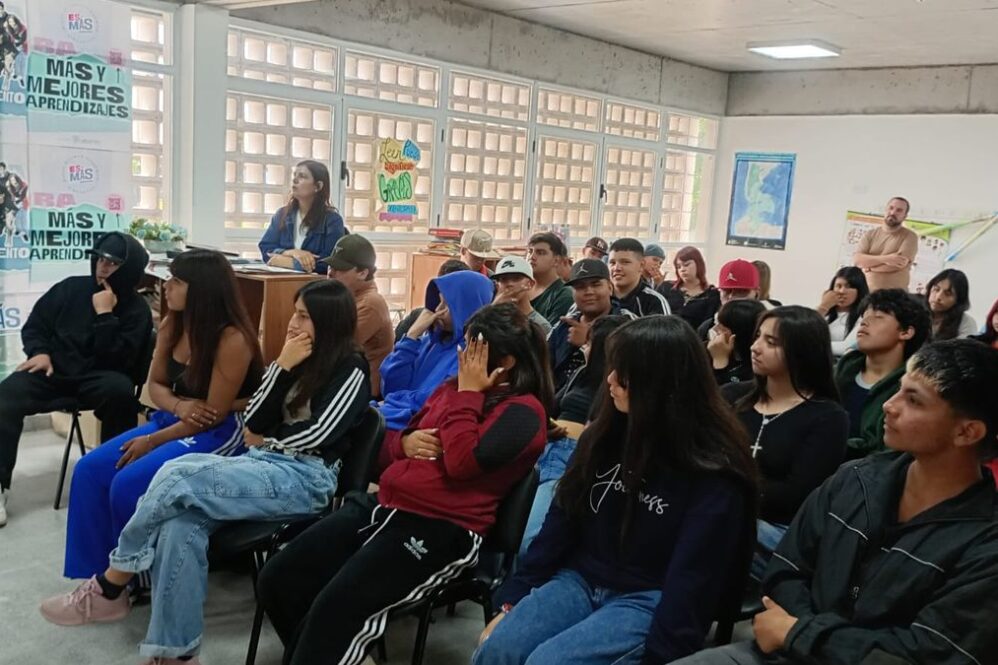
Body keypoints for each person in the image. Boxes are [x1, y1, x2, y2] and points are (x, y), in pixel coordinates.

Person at [39, 281, 370, 665]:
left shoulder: (351, 367)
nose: (294, 324)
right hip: (265, 464)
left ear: (329, 322)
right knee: (179, 524)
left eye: (304, 317)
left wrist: (269, 440)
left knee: (178, 476)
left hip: (306, 479)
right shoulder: (296, 359)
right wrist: (281, 367)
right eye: (295, 313)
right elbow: (255, 417)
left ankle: (112, 583)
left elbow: (319, 433)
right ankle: (176, 654)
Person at [257, 303, 552, 665]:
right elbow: (387, 451)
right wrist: (405, 443)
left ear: (505, 362)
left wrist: (469, 395)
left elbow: (462, 464)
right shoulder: (450, 390)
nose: (462, 356)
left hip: (442, 529)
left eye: (474, 349)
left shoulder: (524, 412)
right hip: (387, 505)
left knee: (338, 609)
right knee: (279, 578)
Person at [672, 339, 998, 665]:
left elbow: (931, 653)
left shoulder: (985, 543)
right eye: (898, 389)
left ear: (967, 432)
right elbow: (786, 570)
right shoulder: (856, 479)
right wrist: (803, 635)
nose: (889, 405)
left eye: (913, 400)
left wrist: (800, 633)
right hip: (789, 651)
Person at [474, 316, 758, 665]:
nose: (609, 379)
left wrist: (662, 655)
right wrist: (512, 601)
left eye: (623, 371)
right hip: (579, 579)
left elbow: (693, 579)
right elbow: (560, 522)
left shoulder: (714, 470)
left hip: (649, 596)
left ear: (660, 381)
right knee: (497, 649)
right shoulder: (604, 436)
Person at [58, 249, 264, 581]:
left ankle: (129, 579)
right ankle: (96, 578)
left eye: (176, 281)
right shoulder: (173, 323)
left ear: (202, 290)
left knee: (128, 484)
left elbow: (211, 415)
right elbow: (155, 386)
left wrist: (152, 440)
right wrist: (179, 406)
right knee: (89, 470)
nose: (166, 287)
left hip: (220, 431)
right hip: (174, 420)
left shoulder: (232, 338)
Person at [0, 232, 151, 527]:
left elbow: (123, 362)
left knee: (120, 392)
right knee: (6, 394)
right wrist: (40, 352)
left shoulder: (137, 310)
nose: (103, 267)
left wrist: (105, 315)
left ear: (130, 269)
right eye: (100, 259)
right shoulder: (70, 288)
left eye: (113, 263)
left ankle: (113, 479)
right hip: (54, 372)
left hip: (101, 378)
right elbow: (36, 326)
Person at [722, 306, 848, 579]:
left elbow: (795, 496)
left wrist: (725, 486)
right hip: (722, 511)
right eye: (757, 336)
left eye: (771, 342)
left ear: (802, 351)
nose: (755, 347)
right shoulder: (732, 396)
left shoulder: (827, 417)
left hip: (777, 531)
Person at [519, 315, 629, 556]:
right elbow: (553, 407)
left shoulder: (617, 389)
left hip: (571, 457)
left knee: (531, 539)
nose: (584, 349)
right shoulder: (581, 373)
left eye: (589, 344)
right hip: (545, 447)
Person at [377, 270, 494, 466]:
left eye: (447, 305)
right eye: (438, 302)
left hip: (414, 430)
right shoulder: (428, 341)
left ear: (466, 307)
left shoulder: (471, 354)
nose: (437, 310)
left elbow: (432, 401)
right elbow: (390, 386)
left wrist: (389, 404)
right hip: (393, 420)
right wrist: (411, 336)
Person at [835, 289, 930, 459]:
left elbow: (888, 453)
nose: (864, 322)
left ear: (906, 332)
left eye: (878, 317)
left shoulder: (911, 388)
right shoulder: (843, 369)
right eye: (863, 317)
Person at [547, 259, 634, 392]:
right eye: (580, 287)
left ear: (610, 288)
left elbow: (629, 373)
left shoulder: (627, 324)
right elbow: (543, 367)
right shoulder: (563, 326)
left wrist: (587, 342)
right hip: (558, 398)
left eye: (596, 284)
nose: (588, 291)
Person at [324, 234, 393, 397]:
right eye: (330, 266)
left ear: (362, 273)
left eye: (339, 268)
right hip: (343, 383)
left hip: (361, 394)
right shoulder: (346, 297)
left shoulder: (370, 304)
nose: (330, 273)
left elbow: (331, 350)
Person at [258, 160, 345, 274]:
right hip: (280, 280)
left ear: (318, 186)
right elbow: (266, 248)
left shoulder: (332, 220)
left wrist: (289, 263)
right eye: (294, 175)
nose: (295, 180)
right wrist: (291, 252)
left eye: (302, 176)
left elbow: (329, 262)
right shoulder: (282, 214)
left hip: (315, 282)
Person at [394, 259, 471, 342]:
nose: (438, 309)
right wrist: (413, 333)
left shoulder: (467, 340)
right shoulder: (418, 317)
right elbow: (393, 347)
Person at [853, 196, 919, 292]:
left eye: (899, 210)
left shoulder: (910, 236)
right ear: (885, 210)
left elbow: (897, 264)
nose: (893, 213)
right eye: (891, 208)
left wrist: (869, 267)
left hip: (895, 296)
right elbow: (857, 260)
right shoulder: (870, 234)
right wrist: (887, 259)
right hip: (867, 294)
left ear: (905, 216)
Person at [656, 245, 721, 330]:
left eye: (686, 265)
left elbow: (708, 325)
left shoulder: (712, 294)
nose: (682, 269)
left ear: (699, 264)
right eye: (678, 267)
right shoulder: (666, 288)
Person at [696, 259, 760, 342]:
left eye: (740, 292)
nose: (731, 297)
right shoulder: (706, 329)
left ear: (757, 293)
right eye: (726, 291)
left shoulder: (765, 329)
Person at [708, 299, 767, 385]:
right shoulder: (711, 350)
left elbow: (719, 390)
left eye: (721, 327)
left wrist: (719, 361)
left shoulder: (756, 366)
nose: (715, 329)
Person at [608, 238, 670, 317]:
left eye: (625, 262)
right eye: (612, 263)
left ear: (641, 265)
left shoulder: (654, 301)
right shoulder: (600, 296)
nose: (616, 268)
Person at [491, 255, 552, 335]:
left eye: (516, 278)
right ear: (497, 285)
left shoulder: (540, 325)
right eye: (503, 279)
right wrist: (492, 309)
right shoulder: (493, 320)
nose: (509, 284)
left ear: (530, 284)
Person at [816, 266, 869, 357]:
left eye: (848, 287)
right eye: (838, 286)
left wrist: (811, 345)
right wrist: (823, 307)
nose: (842, 291)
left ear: (859, 290)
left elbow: (846, 348)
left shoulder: (864, 317)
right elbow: (802, 331)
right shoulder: (825, 313)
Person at [527, 232, 575, 325]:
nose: (532, 257)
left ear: (556, 260)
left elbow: (551, 333)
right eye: (530, 251)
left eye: (540, 253)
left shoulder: (564, 295)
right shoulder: (522, 286)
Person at [925, 268, 977, 340]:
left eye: (947, 294)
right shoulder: (916, 309)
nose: (938, 297)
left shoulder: (966, 323)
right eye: (936, 289)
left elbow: (964, 346)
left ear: (959, 299)